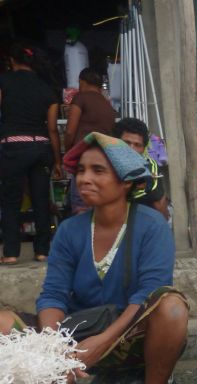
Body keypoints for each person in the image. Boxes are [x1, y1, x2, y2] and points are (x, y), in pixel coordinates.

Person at [0, 132, 193, 384]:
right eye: (81, 170)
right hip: (79, 334)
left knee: (172, 306)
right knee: (3, 324)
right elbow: (53, 294)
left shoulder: (152, 225)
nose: (84, 178)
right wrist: (51, 343)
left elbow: (147, 295)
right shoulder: (69, 230)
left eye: (98, 170)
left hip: (132, 336)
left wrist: (103, 341)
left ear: (126, 181)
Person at [0, 42, 62, 265]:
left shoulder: (4, 81)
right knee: (40, 200)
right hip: (41, 147)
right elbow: (52, 129)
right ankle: (42, 251)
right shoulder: (47, 89)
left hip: (13, 148)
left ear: (12, 61)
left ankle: (11, 253)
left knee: (11, 201)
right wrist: (58, 161)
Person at [65, 67, 117, 215]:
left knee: (81, 202)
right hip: (104, 158)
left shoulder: (80, 98)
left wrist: (68, 152)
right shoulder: (108, 105)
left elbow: (69, 131)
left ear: (82, 82)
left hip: (83, 156)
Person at [112, 117, 169, 219]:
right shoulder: (104, 163)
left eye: (137, 145)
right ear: (115, 142)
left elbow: (160, 207)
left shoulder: (150, 168)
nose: (131, 149)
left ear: (143, 149)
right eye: (126, 143)